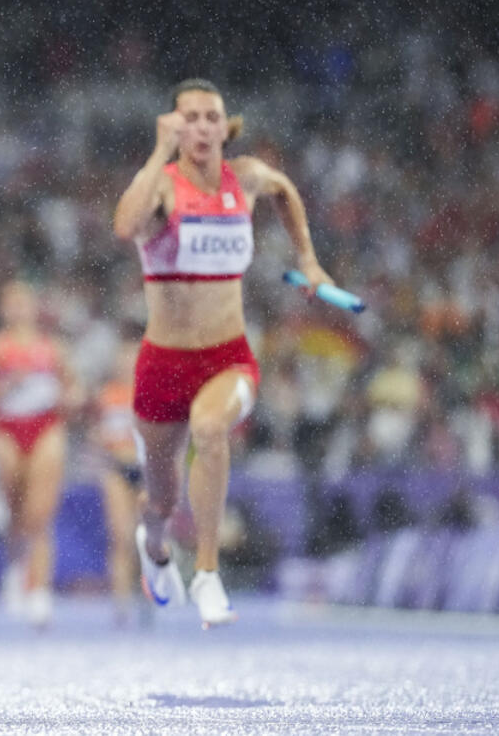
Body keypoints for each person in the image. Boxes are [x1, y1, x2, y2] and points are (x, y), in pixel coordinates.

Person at [112, 78, 335, 627]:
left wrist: (308, 259)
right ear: (174, 125)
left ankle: (208, 572)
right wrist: (159, 151)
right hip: (163, 364)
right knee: (159, 503)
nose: (203, 127)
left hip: (226, 357)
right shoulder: (161, 188)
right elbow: (124, 226)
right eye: (191, 117)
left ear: (226, 125)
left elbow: (284, 191)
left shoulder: (247, 177)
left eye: (213, 117)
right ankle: (156, 548)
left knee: (212, 432)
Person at [0, 280, 81, 627]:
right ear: (3, 310)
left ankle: (40, 591)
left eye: (23, 302)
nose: (18, 309)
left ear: (34, 307)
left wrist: (71, 397)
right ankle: (15, 566)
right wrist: (3, 386)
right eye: (11, 303)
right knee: (16, 507)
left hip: (45, 427)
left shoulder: (52, 347)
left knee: (39, 515)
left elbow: (75, 387)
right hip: (6, 429)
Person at [88, 336, 147, 627]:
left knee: (147, 538)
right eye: (122, 360)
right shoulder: (107, 395)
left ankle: (148, 596)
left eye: (131, 359)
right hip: (116, 468)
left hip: (146, 469)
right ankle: (121, 602)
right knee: (121, 536)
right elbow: (95, 433)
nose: (126, 365)